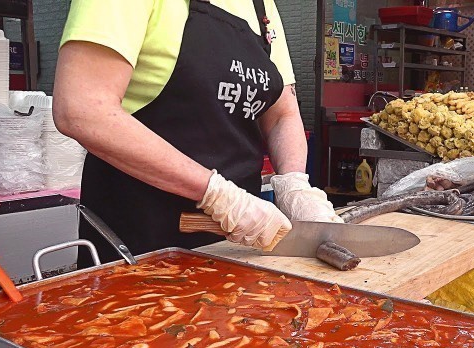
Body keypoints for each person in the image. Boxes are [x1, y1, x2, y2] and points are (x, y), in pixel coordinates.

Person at [53, 0, 341, 267]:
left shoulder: (261, 6)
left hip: (237, 245)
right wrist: (218, 195)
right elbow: (81, 108)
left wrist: (294, 184)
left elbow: (281, 114)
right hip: (138, 246)